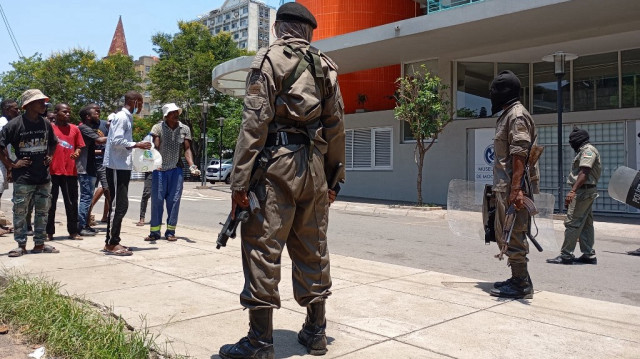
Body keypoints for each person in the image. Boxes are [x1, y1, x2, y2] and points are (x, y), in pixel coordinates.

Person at [218, 3, 345, 358]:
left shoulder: (269, 60)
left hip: (276, 166)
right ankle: (316, 332)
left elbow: (254, 124)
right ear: (309, 31)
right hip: (316, 167)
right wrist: (335, 179)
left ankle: (259, 342)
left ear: (277, 28)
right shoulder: (326, 66)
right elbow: (336, 126)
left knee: (262, 247)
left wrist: (239, 183)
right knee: (313, 247)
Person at [487, 71, 538, 300]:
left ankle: (521, 283)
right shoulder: (508, 114)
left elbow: (520, 153)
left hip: (513, 187)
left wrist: (516, 189)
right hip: (506, 186)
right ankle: (517, 277)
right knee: (506, 233)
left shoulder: (516, 116)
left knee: (515, 233)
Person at [0, 89, 59, 257]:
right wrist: (11, 164)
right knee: (21, 211)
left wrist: (50, 155)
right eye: (39, 101)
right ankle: (21, 245)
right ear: (29, 105)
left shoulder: (45, 123)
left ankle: (40, 244)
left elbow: (53, 143)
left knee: (42, 211)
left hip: (43, 177)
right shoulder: (15, 124)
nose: (43, 104)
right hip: (24, 178)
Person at [102, 91, 151, 256]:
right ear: (134, 101)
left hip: (122, 166)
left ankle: (114, 240)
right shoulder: (122, 117)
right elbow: (116, 140)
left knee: (121, 205)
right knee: (118, 205)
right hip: (116, 166)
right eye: (141, 103)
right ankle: (111, 243)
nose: (142, 106)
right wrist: (137, 144)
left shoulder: (127, 117)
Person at [144, 103, 199, 241]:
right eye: (172, 113)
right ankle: (154, 232)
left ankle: (170, 232)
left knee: (174, 200)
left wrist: (192, 166)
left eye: (177, 112)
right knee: (157, 200)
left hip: (176, 169)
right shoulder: (158, 128)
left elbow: (187, 149)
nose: (176, 115)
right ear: (166, 115)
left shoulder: (184, 129)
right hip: (159, 170)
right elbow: (155, 147)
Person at [547, 127, 601, 265]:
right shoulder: (583, 150)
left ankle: (566, 255)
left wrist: (573, 191)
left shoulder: (588, 151)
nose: (571, 143)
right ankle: (588, 255)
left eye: (572, 141)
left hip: (583, 191)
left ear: (579, 140)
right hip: (586, 191)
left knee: (572, 223)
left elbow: (584, 172)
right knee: (586, 224)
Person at [46, 104, 85, 240]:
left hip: (70, 172)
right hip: (52, 171)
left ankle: (73, 232)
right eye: (64, 112)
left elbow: (80, 146)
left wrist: (77, 152)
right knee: (50, 203)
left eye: (69, 112)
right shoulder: (49, 128)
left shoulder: (75, 129)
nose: (68, 114)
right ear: (56, 113)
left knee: (72, 203)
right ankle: (48, 232)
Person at [76, 105, 107, 236]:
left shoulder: (88, 128)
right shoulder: (84, 128)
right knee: (85, 197)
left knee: (87, 197)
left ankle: (85, 225)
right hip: (85, 168)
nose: (98, 114)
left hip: (91, 166)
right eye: (95, 113)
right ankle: (81, 226)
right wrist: (118, 139)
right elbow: (99, 140)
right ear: (88, 116)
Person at [0, 99, 20, 234]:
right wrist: (9, 166)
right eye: (15, 108)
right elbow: (1, 147)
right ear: (7, 110)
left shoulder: (8, 123)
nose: (18, 111)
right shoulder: (2, 124)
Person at [89, 106, 111, 225]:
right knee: (90, 190)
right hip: (91, 161)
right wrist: (98, 151)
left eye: (98, 110)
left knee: (107, 188)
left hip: (104, 161)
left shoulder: (105, 124)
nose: (97, 112)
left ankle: (105, 216)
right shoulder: (85, 126)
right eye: (94, 110)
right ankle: (88, 212)